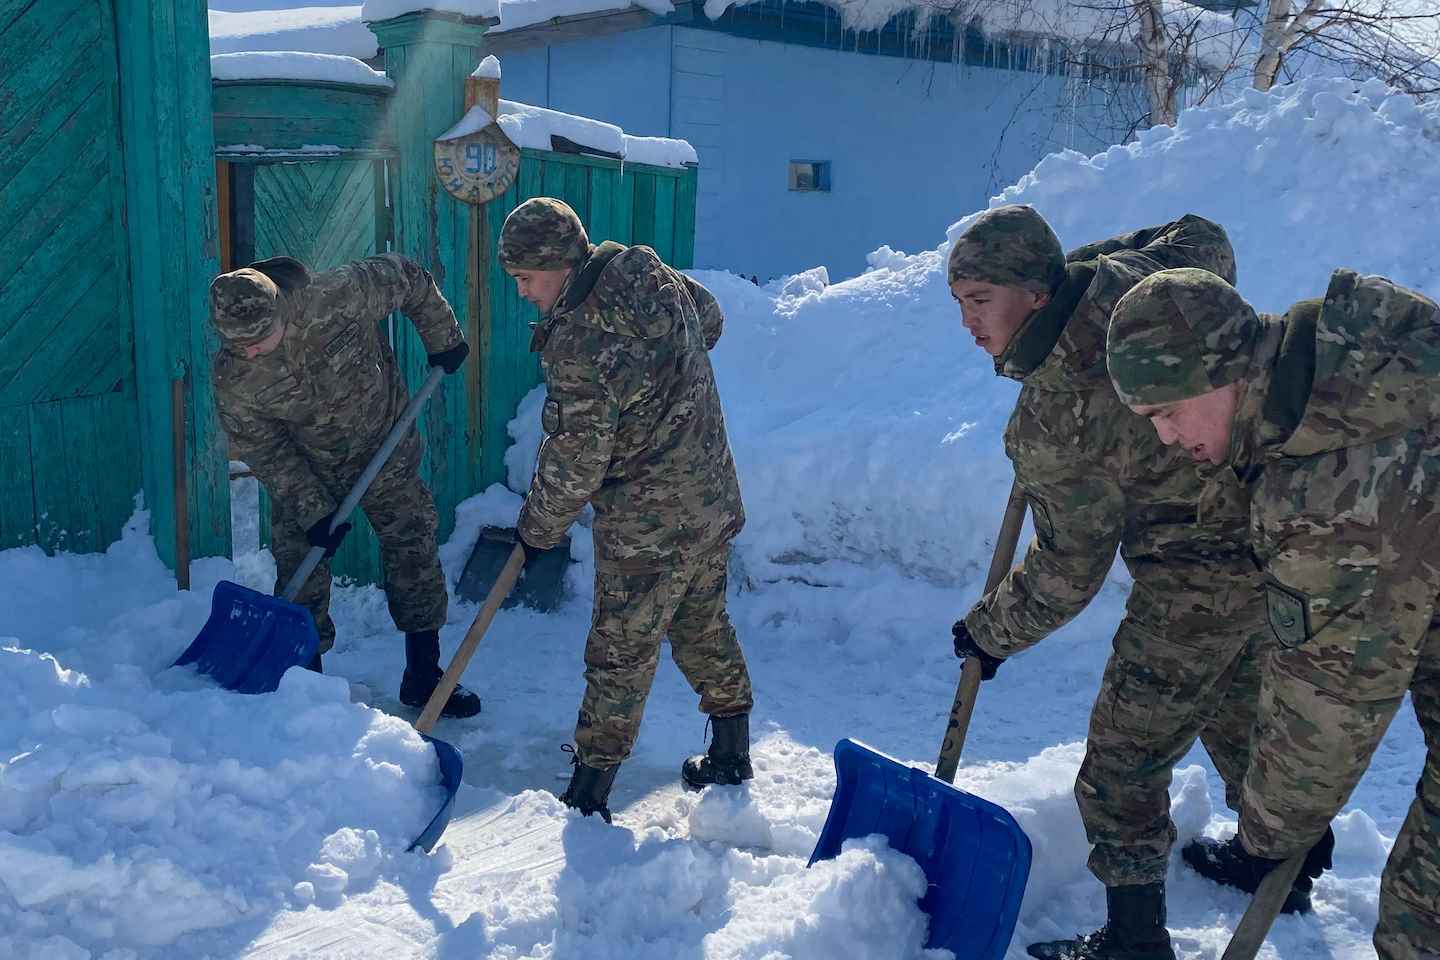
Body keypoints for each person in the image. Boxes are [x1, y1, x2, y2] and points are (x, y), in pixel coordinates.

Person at [946, 206, 1291, 960]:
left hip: (1194, 578)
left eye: (980, 300)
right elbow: (1207, 236)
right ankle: (1282, 864)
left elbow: (1070, 569)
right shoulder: (1137, 285)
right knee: (1232, 706)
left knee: (1120, 763)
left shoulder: (1050, 419)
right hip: (1277, 532)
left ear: (1035, 293)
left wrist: (989, 631)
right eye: (958, 302)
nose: (968, 323)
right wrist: (1097, 262)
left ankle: (1134, 940)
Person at [1107, 266, 1440, 960]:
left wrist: (1268, 834)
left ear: (1221, 369)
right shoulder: (1339, 386)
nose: (1167, 439)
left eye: (1167, 412)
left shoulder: (1340, 486)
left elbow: (1331, 703)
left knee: (1420, 925)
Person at [498, 197, 755, 822]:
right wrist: (665, 384)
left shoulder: (581, 343)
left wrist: (537, 531)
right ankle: (730, 750)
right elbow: (711, 319)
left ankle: (589, 797)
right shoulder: (643, 270)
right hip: (709, 492)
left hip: (649, 519)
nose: (524, 293)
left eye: (528, 278)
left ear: (561, 265)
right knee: (699, 622)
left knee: (620, 650)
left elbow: (575, 461)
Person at [209, 253, 481, 718]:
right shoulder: (235, 376)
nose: (251, 352)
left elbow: (411, 280)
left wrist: (442, 337)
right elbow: (264, 448)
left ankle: (424, 675)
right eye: (240, 345)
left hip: (385, 448)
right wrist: (311, 507)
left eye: (259, 340)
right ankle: (306, 687)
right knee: (299, 569)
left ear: (280, 311)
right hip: (309, 468)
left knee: (412, 547)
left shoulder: (338, 294)